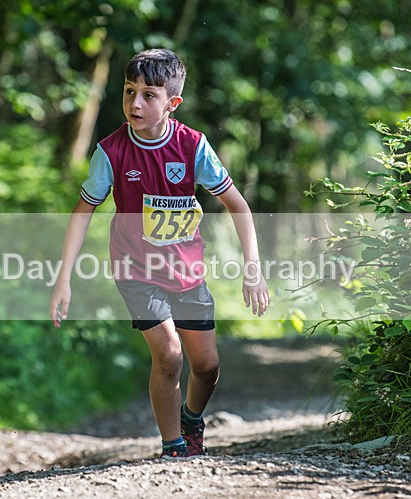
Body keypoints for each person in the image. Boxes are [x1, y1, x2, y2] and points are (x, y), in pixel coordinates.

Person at [49, 49, 269, 458]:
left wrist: (252, 268)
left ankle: (192, 419)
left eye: (149, 95)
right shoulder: (111, 152)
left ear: (173, 103)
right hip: (136, 269)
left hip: (187, 271)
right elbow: (82, 213)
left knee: (207, 367)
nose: (135, 103)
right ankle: (173, 446)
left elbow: (238, 206)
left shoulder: (193, 147)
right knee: (169, 355)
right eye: (129, 91)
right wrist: (64, 280)